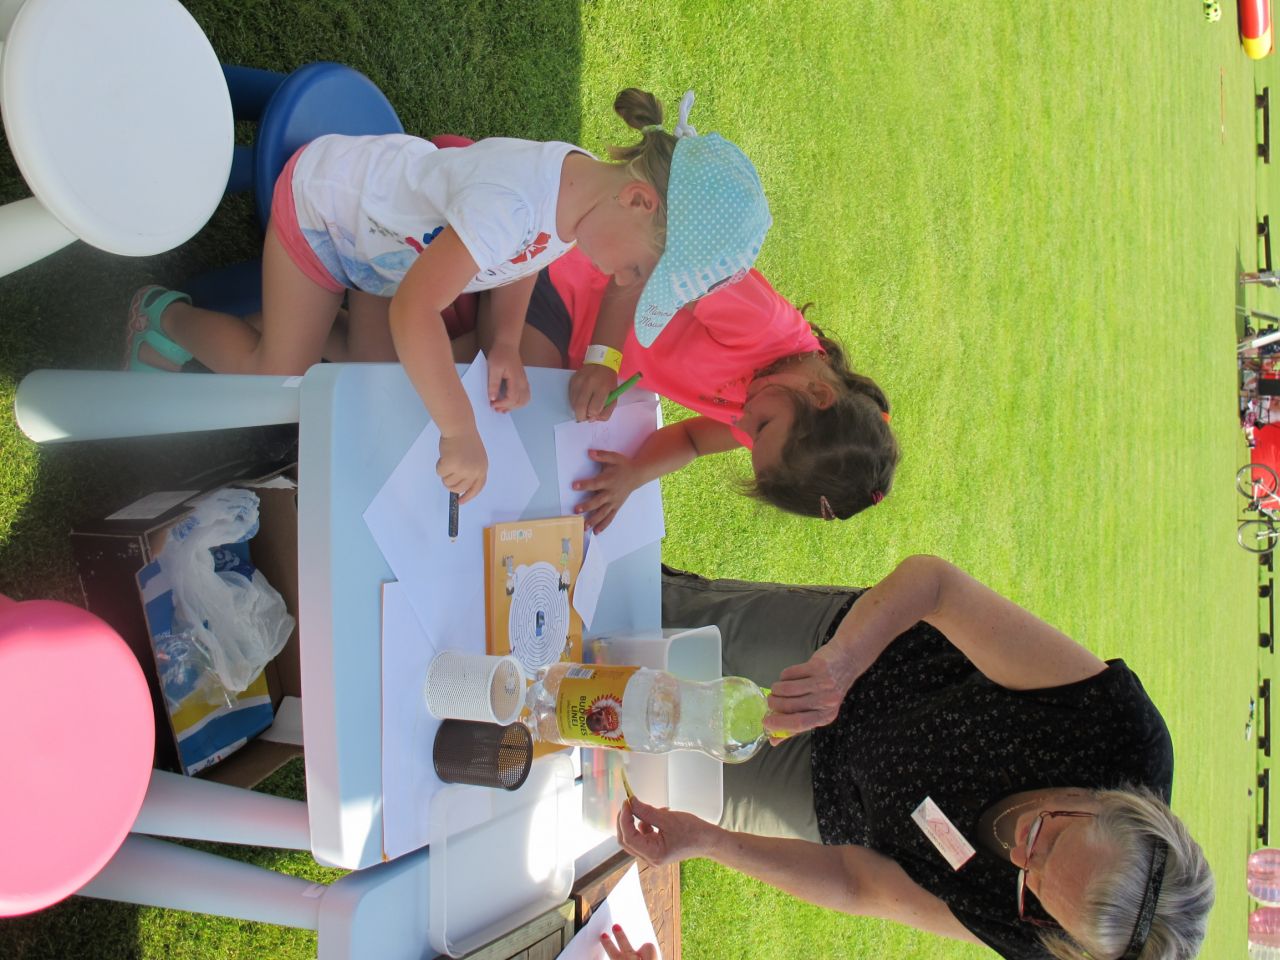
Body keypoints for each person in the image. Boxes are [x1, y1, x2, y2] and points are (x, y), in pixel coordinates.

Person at [121, 88, 770, 505]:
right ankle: (163, 317)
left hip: (392, 257)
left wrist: (506, 340)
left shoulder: (578, 198)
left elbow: (526, 260)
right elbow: (416, 311)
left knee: (377, 382)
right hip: (330, 220)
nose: (626, 282)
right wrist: (460, 431)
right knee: (279, 379)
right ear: (638, 200)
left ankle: (285, 319)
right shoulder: (513, 206)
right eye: (641, 268)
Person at [610, 559, 1214, 960]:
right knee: (650, 620)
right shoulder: (1113, 730)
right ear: (1112, 801)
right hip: (852, 659)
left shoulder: (1054, 939)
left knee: (630, 761)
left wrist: (710, 842)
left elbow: (861, 884)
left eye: (1033, 890)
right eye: (1046, 836)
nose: (1020, 858)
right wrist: (839, 666)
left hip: (827, 800)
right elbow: (936, 588)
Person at [451, 245, 900, 529]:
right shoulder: (762, 324)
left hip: (578, 351)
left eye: (751, 439)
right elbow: (642, 256)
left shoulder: (776, 409)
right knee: (502, 403)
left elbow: (693, 440)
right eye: (760, 427)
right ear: (819, 396)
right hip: (572, 278)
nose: (741, 424)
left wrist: (634, 475)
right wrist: (604, 358)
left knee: (511, 426)